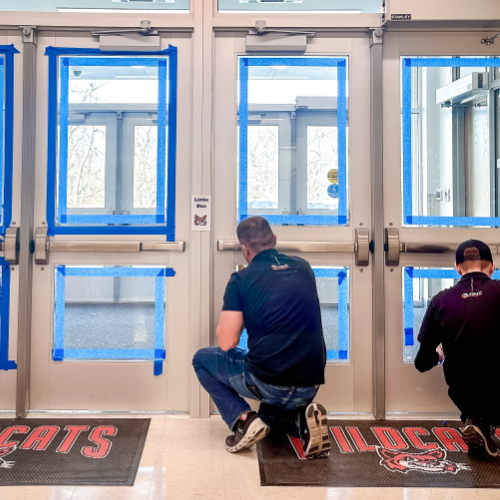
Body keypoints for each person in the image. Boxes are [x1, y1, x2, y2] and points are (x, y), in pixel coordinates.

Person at [192, 216, 330, 457]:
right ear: (274, 240)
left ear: (244, 249)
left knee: (201, 359)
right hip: (311, 382)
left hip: (269, 383)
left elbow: (227, 343)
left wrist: (247, 313)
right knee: (269, 415)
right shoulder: (303, 267)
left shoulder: (241, 280)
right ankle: (301, 421)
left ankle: (243, 420)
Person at [415, 239, 500, 459]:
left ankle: (477, 420)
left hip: (463, 391)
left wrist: (439, 354)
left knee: (470, 383)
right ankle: (484, 423)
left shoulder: (440, 301)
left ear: (457, 268)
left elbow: (421, 362)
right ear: (492, 267)